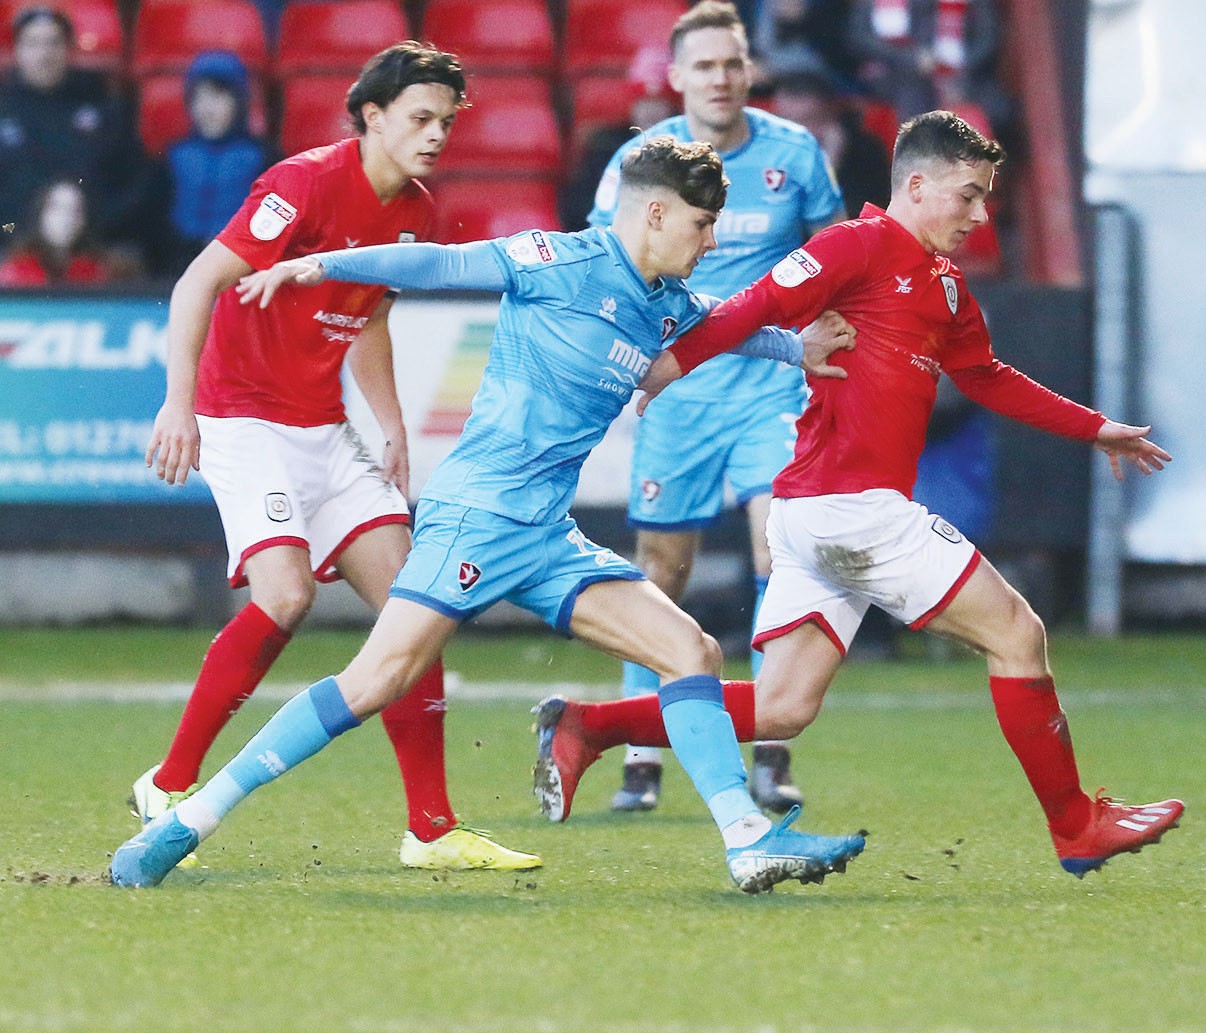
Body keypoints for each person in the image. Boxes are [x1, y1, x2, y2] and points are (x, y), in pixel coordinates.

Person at [110, 137, 867, 899]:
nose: (712, 242)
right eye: (703, 225)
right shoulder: (556, 260)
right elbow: (439, 264)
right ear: (657, 213)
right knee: (376, 679)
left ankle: (746, 840)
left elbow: (725, 324)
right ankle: (189, 818)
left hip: (545, 534)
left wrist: (795, 347)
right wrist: (326, 265)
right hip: (477, 515)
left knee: (690, 650)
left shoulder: (665, 300)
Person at [536, 111, 1184, 881]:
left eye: (985, 198)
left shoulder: (946, 287)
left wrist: (1095, 428)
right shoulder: (854, 245)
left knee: (782, 709)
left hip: (815, 518)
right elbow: (753, 305)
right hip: (853, 510)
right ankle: (1076, 826)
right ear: (917, 185)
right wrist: (669, 366)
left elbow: (986, 377)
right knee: (1017, 633)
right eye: (968, 195)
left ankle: (588, 726)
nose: (980, 215)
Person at [133, 40, 537, 874]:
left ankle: (431, 831)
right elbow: (197, 283)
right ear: (372, 116)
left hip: (324, 426)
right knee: (285, 598)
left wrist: (391, 424)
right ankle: (166, 785)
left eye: (446, 121)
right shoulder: (302, 184)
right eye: (420, 118)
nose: (437, 135)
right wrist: (178, 404)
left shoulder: (417, 211)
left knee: (417, 609)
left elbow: (372, 318)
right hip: (243, 418)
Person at [588, 0, 843, 817]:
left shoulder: (795, 154)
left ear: (750, 70)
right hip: (679, 393)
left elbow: (839, 256)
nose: (721, 78)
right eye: (704, 65)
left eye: (732, 63)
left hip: (774, 389)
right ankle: (641, 755)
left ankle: (770, 749)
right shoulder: (641, 162)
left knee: (781, 553)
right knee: (662, 570)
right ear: (676, 77)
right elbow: (607, 265)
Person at [0, 7, 154, 262]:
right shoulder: (4, 109)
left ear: (69, 49)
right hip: (11, 249)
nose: (43, 54)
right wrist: (13, 234)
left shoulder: (104, 107)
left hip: (95, 250)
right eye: (32, 43)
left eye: (53, 43)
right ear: (16, 50)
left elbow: (134, 182)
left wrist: (93, 230)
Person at [163, 51, 269, 275]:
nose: (206, 109)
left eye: (218, 96)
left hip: (242, 270)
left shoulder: (264, 158)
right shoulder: (173, 157)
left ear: (239, 101)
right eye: (198, 98)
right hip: (176, 269)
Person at [559, 44, 671, 233]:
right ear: (632, 104)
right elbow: (578, 209)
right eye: (643, 102)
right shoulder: (605, 147)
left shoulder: (688, 146)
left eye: (659, 102)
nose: (650, 112)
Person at [769, 64, 890, 219]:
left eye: (809, 120)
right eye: (787, 122)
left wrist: (831, 163)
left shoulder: (864, 151)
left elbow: (865, 216)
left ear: (831, 115)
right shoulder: (764, 149)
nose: (799, 132)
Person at [0, 175, 109, 283]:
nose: (66, 218)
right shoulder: (14, 271)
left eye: (76, 211)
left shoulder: (98, 272)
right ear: (40, 214)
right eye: (57, 208)